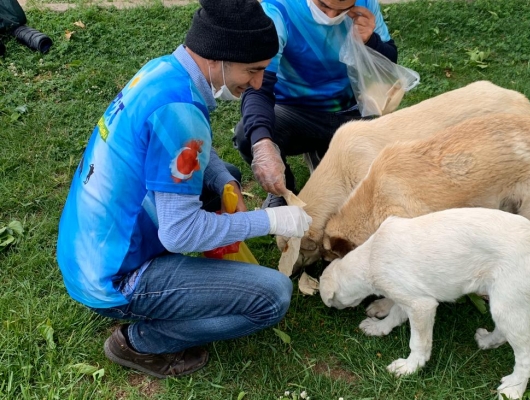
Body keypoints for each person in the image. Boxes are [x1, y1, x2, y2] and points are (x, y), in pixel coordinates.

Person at [56, 0, 312, 379]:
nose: (257, 84)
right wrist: (271, 219)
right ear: (220, 57)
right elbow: (179, 233)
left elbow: (187, 148)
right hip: (116, 276)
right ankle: (142, 341)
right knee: (272, 296)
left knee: (223, 170)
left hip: (89, 250)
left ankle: (189, 287)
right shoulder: (181, 113)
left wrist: (224, 181)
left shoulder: (165, 71)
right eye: (253, 70)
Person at [233, 0, 398, 208]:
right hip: (297, 113)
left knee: (367, 192)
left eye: (342, 10)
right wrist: (262, 143)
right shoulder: (277, 10)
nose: (330, 16)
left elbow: (390, 63)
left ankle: (324, 151)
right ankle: (284, 191)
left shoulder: (366, 4)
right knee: (250, 135)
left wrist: (371, 41)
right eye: (323, 6)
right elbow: (258, 87)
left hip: (353, 111)